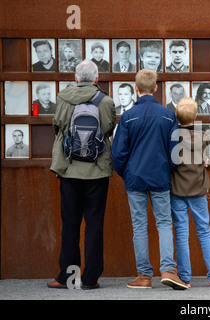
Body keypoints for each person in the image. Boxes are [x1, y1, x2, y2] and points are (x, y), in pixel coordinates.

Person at [111, 69, 187, 290]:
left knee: (139, 225)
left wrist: (126, 173)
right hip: (160, 177)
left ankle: (144, 276)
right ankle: (168, 270)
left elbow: (118, 153)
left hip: (134, 177)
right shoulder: (168, 115)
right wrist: (168, 169)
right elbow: (175, 151)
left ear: (136, 88)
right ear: (155, 88)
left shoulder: (127, 117)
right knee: (164, 222)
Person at [47, 59, 116, 290]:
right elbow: (107, 129)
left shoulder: (63, 98)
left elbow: (57, 127)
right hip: (96, 171)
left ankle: (67, 277)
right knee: (94, 224)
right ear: (97, 79)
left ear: (76, 78)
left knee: (70, 225)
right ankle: (90, 279)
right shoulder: (106, 101)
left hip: (68, 169)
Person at [170, 97, 210, 288]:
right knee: (204, 232)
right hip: (199, 191)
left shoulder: (173, 137)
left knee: (181, 234)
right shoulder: (204, 136)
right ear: (196, 116)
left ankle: (185, 278)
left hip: (177, 190)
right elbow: (204, 159)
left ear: (176, 117)